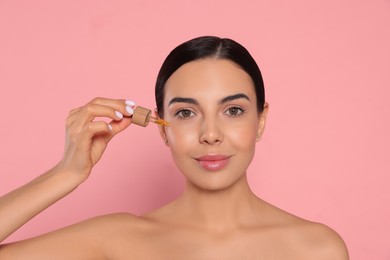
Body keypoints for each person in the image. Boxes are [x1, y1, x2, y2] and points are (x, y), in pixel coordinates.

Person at [0, 36, 349, 259]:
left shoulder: (315, 249)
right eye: (185, 112)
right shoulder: (116, 240)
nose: (210, 134)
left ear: (260, 120)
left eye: (233, 111)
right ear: (162, 128)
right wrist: (65, 174)